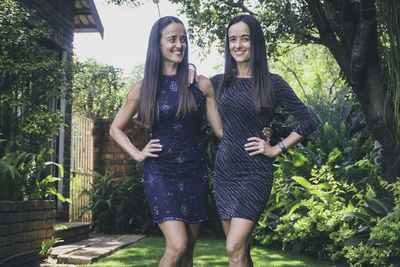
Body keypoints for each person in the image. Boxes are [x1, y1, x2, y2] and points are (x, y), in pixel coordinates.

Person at [109, 16, 222, 267]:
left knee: (188, 250)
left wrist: (261, 133)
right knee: (177, 244)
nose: (179, 45)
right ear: (158, 44)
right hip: (160, 171)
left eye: (183, 39)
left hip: (195, 171)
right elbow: (116, 129)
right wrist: (137, 154)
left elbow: (221, 131)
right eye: (172, 39)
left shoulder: (201, 85)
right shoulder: (144, 88)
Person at [209, 14, 316, 266]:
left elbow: (308, 120)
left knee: (233, 246)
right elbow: (186, 94)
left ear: (255, 42)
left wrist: (276, 148)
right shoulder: (218, 83)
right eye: (232, 39)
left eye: (244, 39)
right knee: (241, 252)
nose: (237, 45)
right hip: (224, 173)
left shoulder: (272, 83)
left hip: (255, 173)